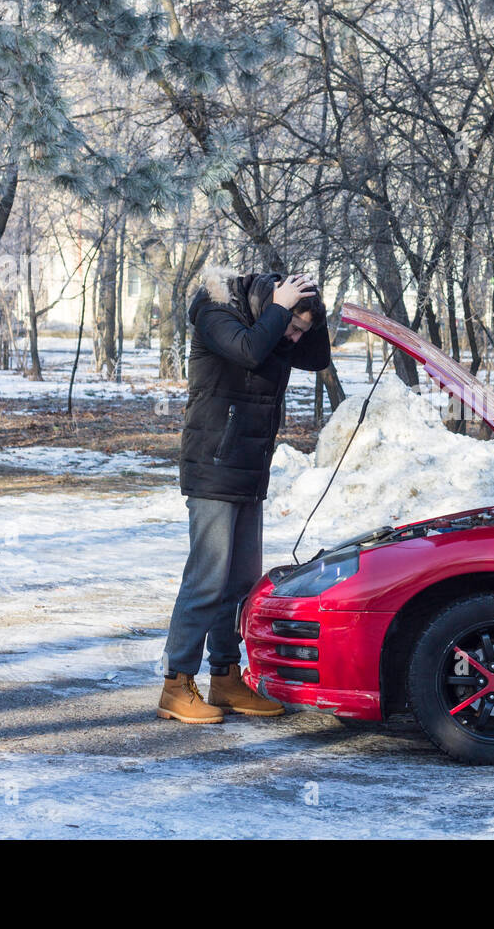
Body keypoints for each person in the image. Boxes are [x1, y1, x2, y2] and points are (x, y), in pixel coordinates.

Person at [157, 271, 330, 723]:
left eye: (300, 331)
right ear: (273, 304)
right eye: (293, 327)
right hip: (213, 466)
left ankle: (225, 677)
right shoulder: (216, 311)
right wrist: (282, 308)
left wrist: (313, 310)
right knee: (207, 579)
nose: (294, 339)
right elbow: (249, 351)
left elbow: (317, 358)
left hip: (250, 469)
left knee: (240, 584)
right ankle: (176, 684)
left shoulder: (277, 328)